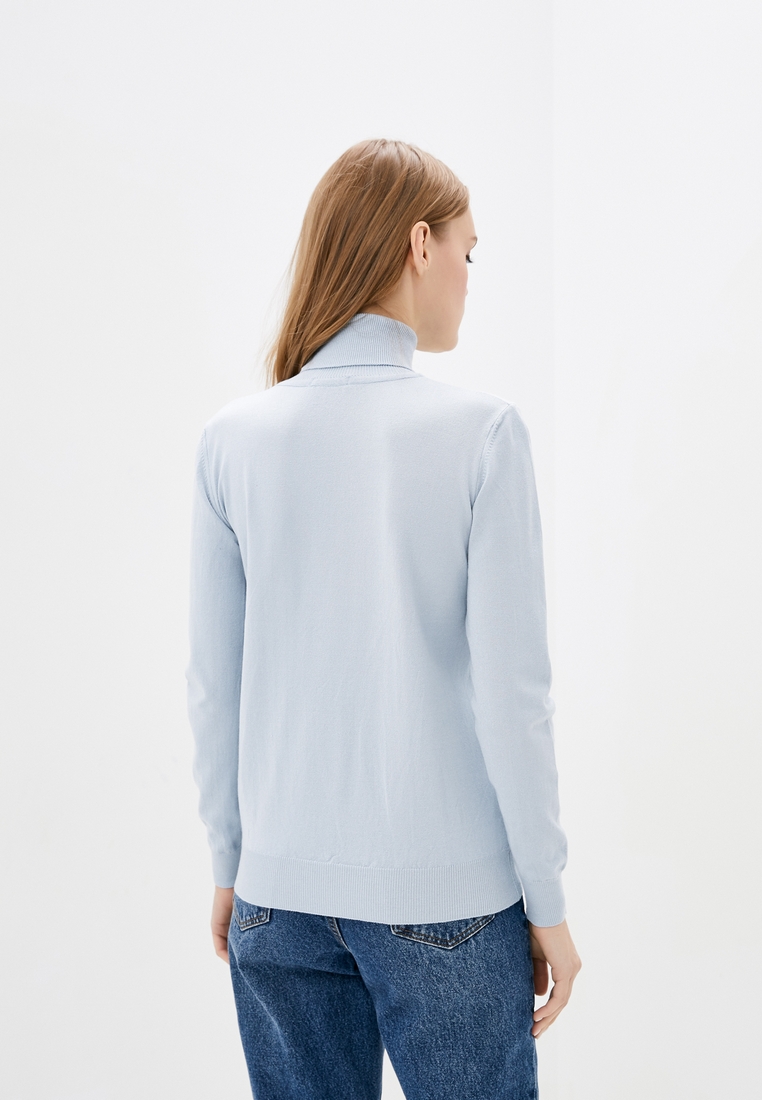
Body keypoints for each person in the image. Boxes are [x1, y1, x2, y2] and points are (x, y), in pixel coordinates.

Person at [185, 137, 581, 1100]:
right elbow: (515, 697)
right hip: (447, 898)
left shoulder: (231, 440)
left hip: (276, 897)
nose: (469, 276)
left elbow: (211, 685)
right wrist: (547, 900)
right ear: (419, 244)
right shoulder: (484, 433)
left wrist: (232, 863)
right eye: (468, 250)